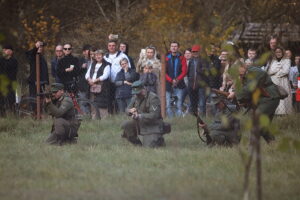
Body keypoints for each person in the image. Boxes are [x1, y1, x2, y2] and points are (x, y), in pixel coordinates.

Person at [236, 63, 281, 143]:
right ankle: (273, 144)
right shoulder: (245, 75)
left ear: (243, 67)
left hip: (269, 97)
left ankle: (252, 148)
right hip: (264, 99)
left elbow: (249, 88)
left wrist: (236, 95)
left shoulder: (254, 71)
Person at [121, 80, 167, 147]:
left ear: (143, 89)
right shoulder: (135, 97)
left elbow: (154, 115)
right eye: (135, 93)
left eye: (138, 93)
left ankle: (159, 140)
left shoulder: (153, 98)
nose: (137, 95)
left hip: (153, 125)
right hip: (141, 123)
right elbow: (127, 110)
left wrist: (139, 116)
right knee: (126, 125)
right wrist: (130, 111)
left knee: (150, 147)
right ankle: (137, 145)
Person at [104, 40, 131, 113]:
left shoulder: (122, 55)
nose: (111, 47)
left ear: (116, 46)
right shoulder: (105, 57)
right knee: (109, 100)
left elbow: (128, 68)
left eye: (113, 45)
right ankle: (111, 116)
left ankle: (119, 116)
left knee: (119, 101)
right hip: (109, 83)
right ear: (107, 47)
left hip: (120, 83)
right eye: (110, 45)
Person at [266, 46, 293, 115]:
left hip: (283, 81)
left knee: (283, 95)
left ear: (282, 52)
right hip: (273, 81)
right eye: (276, 52)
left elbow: (286, 71)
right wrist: (277, 69)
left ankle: (283, 112)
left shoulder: (287, 60)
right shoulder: (272, 61)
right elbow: (269, 71)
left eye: (279, 52)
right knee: (275, 96)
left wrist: (276, 74)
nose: (278, 53)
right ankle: (275, 112)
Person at [85, 50, 111, 119]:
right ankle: (94, 121)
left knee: (102, 105)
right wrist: (89, 80)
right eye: (96, 55)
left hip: (102, 87)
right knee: (93, 104)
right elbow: (87, 74)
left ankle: (104, 122)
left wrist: (95, 80)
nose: (98, 56)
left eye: (99, 55)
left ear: (102, 56)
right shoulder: (93, 63)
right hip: (92, 86)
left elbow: (105, 76)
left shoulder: (107, 64)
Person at [165, 41, 187, 117]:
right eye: (172, 46)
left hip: (179, 84)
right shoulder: (166, 58)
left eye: (175, 46)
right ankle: (171, 121)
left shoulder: (182, 58)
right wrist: (171, 80)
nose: (174, 48)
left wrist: (177, 80)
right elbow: (163, 72)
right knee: (167, 104)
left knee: (179, 104)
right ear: (170, 48)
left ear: (178, 48)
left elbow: (184, 71)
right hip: (168, 84)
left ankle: (178, 120)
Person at [187, 44, 210, 116]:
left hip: (201, 85)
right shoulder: (190, 60)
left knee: (202, 103)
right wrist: (190, 80)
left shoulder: (204, 60)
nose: (195, 53)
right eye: (193, 52)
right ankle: (194, 118)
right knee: (193, 103)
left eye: (196, 51)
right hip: (191, 85)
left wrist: (199, 70)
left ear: (199, 52)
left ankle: (202, 118)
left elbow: (207, 72)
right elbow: (188, 72)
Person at [0, 44, 18, 115]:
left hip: (11, 84)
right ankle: (2, 115)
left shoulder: (14, 61)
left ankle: (13, 115)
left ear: (11, 51)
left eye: (6, 50)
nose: (4, 51)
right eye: (4, 50)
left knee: (11, 100)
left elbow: (13, 73)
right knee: (1, 101)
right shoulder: (1, 60)